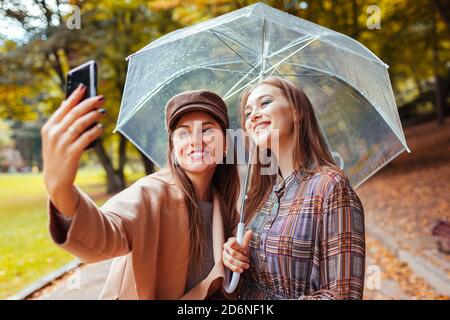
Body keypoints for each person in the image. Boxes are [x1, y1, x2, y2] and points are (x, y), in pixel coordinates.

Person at [41, 85, 240, 299]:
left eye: (207, 130)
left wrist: (235, 260)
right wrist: (61, 190)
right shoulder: (151, 193)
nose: (194, 141)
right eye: (183, 132)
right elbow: (103, 234)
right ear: (173, 147)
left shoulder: (227, 203)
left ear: (226, 143)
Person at [222, 76, 365, 300]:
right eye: (248, 113)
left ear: (297, 111)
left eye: (265, 103)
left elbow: (343, 294)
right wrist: (238, 257)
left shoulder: (330, 186)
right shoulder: (262, 193)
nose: (254, 116)